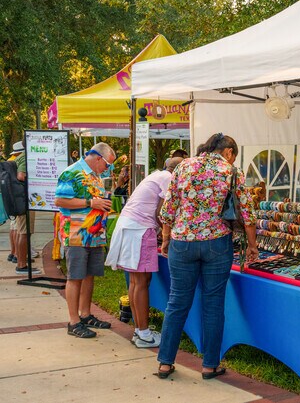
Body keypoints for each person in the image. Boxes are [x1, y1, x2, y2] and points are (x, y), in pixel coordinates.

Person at [155, 133, 258, 379]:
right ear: (229, 152)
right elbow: (247, 213)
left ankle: (165, 363)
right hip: (217, 243)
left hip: (182, 242)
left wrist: (167, 238)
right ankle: (210, 365)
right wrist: (252, 245)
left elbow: (168, 209)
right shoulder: (231, 172)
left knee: (177, 302)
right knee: (213, 304)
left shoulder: (183, 166)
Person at [105, 157, 184, 348]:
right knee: (141, 282)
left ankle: (140, 330)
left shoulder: (157, 175)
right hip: (139, 230)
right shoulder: (167, 178)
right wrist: (170, 233)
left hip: (130, 227)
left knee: (135, 282)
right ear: (177, 170)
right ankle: (144, 334)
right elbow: (162, 214)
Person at [54, 143, 116, 338]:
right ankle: (73, 322)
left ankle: (86, 314)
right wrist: (91, 203)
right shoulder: (72, 173)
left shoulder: (97, 175)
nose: (109, 169)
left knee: (90, 274)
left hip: (95, 234)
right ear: (98, 158)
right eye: (108, 164)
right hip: (76, 233)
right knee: (75, 276)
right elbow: (59, 201)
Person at [13, 140, 42, 275]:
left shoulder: (19, 156)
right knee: (25, 232)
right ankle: (22, 265)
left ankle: (21, 261)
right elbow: (21, 175)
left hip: (21, 199)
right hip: (26, 198)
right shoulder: (26, 157)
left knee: (21, 231)